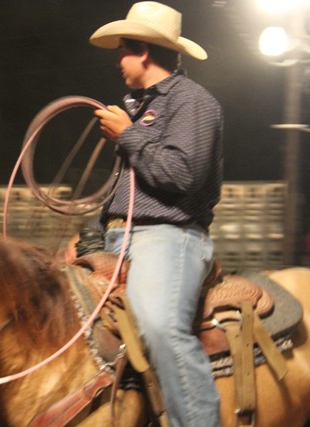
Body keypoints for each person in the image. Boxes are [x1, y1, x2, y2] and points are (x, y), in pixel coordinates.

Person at [85, 2, 224, 426]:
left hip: (169, 235)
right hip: (119, 240)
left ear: (143, 51)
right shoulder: (136, 107)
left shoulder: (193, 103)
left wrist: (128, 135)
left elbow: (182, 175)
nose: (117, 60)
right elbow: (126, 187)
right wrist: (92, 231)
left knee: (161, 329)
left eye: (123, 49)